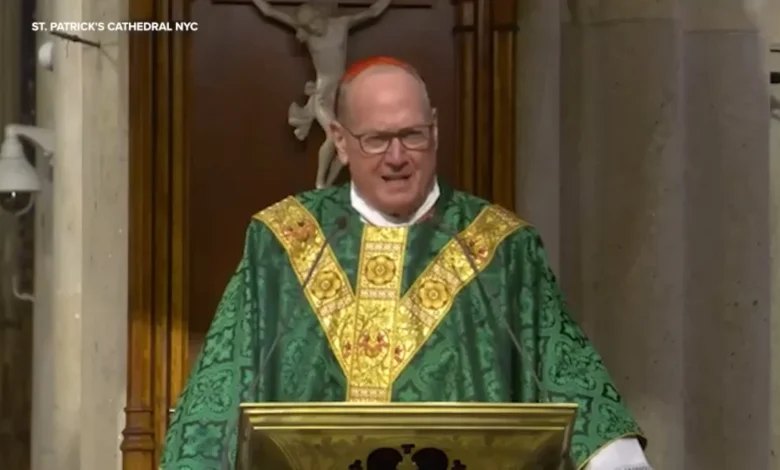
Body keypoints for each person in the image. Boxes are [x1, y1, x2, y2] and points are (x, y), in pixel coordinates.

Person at [160, 57, 652, 470]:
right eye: (376, 139)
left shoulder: (502, 248)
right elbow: (218, 398)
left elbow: (574, 384)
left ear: (434, 130)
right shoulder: (282, 243)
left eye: (412, 135)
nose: (397, 156)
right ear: (341, 140)